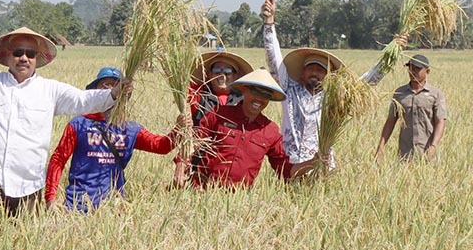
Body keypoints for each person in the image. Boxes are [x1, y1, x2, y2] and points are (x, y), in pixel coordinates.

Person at [0, 27, 130, 215]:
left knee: (24, 242)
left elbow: (83, 100)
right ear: (7, 56)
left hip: (29, 189)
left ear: (36, 59)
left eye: (30, 54)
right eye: (18, 52)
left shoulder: (50, 90)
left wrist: (113, 93)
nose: (24, 58)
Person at [261, 0, 402, 166]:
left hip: (321, 166)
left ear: (329, 76)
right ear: (302, 72)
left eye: (321, 70)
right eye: (311, 68)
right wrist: (269, 21)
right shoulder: (289, 91)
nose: (315, 73)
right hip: (289, 165)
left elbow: (366, 83)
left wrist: (391, 56)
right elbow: (274, 58)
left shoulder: (335, 99)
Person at [45, 67, 190, 212]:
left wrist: (178, 129)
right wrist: (51, 198)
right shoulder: (79, 124)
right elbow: (58, 160)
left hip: (113, 208)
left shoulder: (130, 129)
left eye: (116, 86)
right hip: (77, 206)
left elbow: (161, 146)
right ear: (94, 92)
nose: (112, 90)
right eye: (105, 85)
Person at [179, 69, 318, 188]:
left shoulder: (270, 131)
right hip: (201, 190)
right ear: (244, 89)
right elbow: (193, 143)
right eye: (256, 91)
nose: (259, 98)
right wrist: (180, 166)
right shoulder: (218, 114)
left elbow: (285, 171)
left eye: (266, 95)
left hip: (238, 200)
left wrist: (313, 162)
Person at [174, 50, 253, 184]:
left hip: (230, 167)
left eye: (228, 72)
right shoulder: (196, 95)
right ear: (209, 74)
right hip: (199, 163)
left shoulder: (244, 101)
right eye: (217, 71)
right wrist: (181, 163)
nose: (222, 76)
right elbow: (187, 132)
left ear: (235, 76)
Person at [375, 54, 448, 160]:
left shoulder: (435, 94)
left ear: (427, 71)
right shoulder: (400, 93)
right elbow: (390, 121)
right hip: (405, 154)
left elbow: (440, 121)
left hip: (427, 154)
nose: (413, 72)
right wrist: (380, 147)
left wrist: (433, 146)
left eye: (417, 69)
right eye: (410, 68)